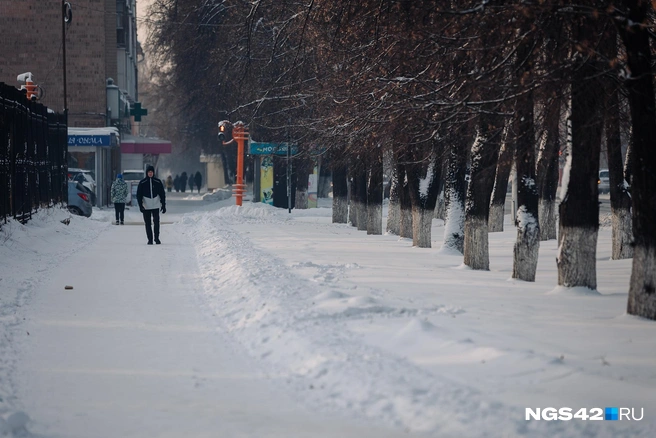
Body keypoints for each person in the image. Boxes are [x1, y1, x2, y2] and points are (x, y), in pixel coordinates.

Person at [136, 165, 166, 245]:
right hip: (146, 205)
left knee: (156, 222)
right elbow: (139, 195)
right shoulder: (142, 183)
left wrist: (163, 205)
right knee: (148, 223)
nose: (150, 173)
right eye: (149, 172)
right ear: (147, 173)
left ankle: (156, 238)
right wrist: (140, 205)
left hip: (156, 204)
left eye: (151, 172)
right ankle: (150, 239)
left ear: (153, 173)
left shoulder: (158, 182)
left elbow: (162, 194)